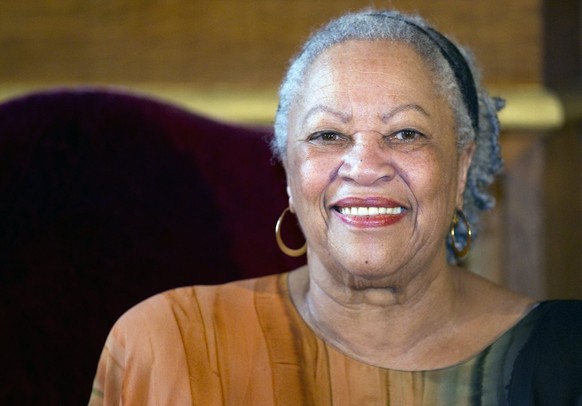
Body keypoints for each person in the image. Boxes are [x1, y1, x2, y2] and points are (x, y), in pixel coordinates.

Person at [89, 9, 582, 405]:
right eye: (328, 135)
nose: (364, 166)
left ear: (460, 168)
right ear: (287, 173)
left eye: (406, 133)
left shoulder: (566, 360)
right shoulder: (170, 346)